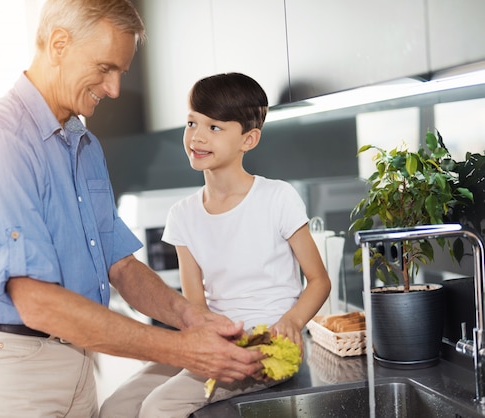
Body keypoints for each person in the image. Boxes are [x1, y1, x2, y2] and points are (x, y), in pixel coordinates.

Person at [0, 2, 265, 417]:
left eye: (121, 74)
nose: (112, 89)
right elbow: (37, 302)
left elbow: (121, 266)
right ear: (59, 44)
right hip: (13, 370)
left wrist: (190, 317)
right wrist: (180, 349)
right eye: (105, 68)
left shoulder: (84, 145)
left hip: (76, 359)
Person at [99, 72, 332, 418]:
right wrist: (203, 346)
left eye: (214, 128)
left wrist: (293, 323)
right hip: (216, 343)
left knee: (159, 407)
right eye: (192, 122)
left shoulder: (277, 197)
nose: (197, 137)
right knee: (116, 407)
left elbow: (319, 281)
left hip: (267, 349)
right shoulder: (182, 215)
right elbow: (196, 307)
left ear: (248, 139)